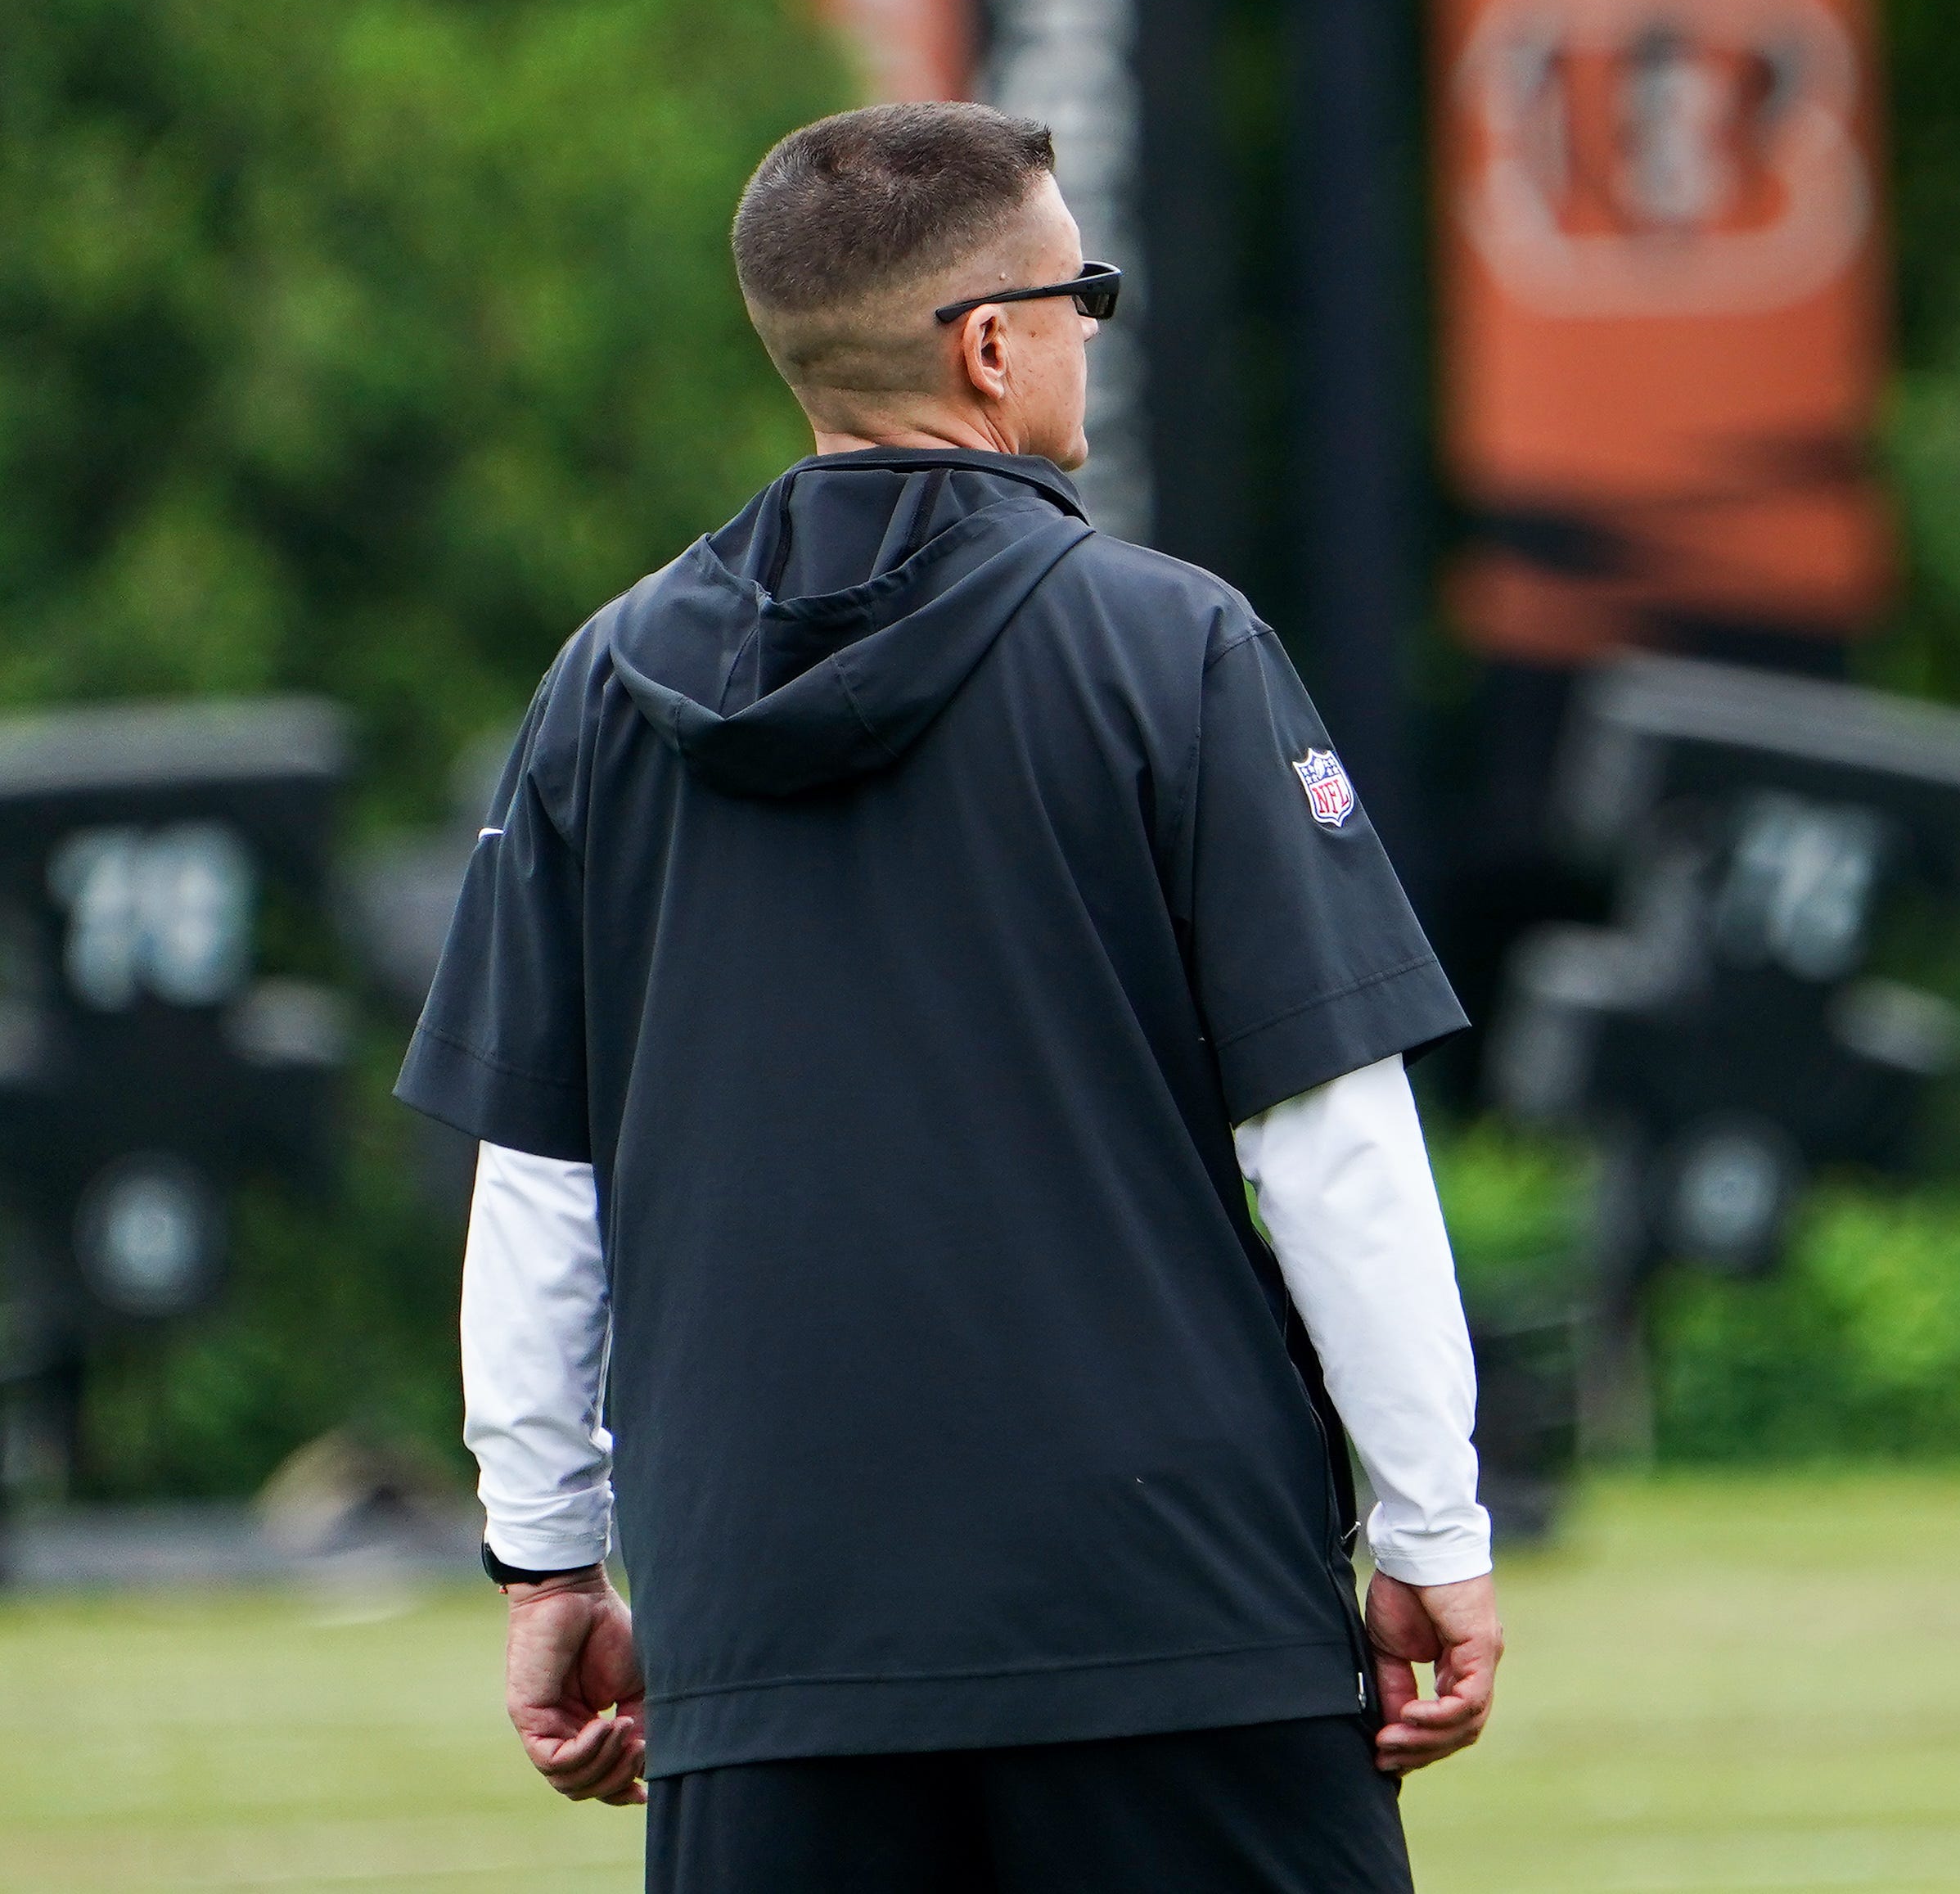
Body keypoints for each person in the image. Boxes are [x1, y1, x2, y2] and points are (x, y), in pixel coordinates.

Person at [404, 101, 1501, 1892]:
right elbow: (1329, 1141)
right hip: (1175, 1627)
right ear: (992, 346)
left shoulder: (597, 691)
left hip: (771, 1643)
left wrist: (546, 1558)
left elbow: (538, 1174)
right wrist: (1431, 1524)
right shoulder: (1177, 647)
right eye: (1085, 293)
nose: (1089, 329)